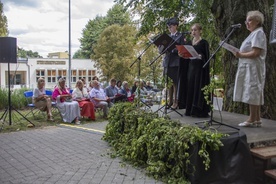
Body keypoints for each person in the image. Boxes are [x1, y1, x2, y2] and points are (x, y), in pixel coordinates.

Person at [232, 11, 267, 127]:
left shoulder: (258, 33)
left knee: (253, 91)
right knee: (252, 90)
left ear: (257, 21)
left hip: (253, 67)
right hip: (249, 67)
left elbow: (256, 52)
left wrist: (240, 55)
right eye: (246, 20)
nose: (247, 23)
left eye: (250, 20)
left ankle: (252, 119)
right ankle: (257, 118)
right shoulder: (253, 33)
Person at [179, 23, 210, 117]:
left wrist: (201, 56)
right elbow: (186, 58)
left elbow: (207, 56)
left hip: (200, 69)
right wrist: (182, 55)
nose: (193, 32)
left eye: (195, 30)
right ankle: (189, 109)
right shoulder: (188, 43)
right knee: (190, 87)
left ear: (200, 31)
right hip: (191, 68)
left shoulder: (204, 42)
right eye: (192, 30)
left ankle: (198, 110)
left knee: (198, 87)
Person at [158, 17, 186, 109]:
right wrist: (160, 47)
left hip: (175, 62)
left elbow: (182, 48)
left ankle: (175, 101)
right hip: (167, 62)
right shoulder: (167, 37)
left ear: (176, 26)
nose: (170, 28)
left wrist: (173, 50)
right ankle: (169, 101)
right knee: (168, 82)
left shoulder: (180, 36)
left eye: (171, 26)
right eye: (168, 26)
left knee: (175, 83)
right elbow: (162, 50)